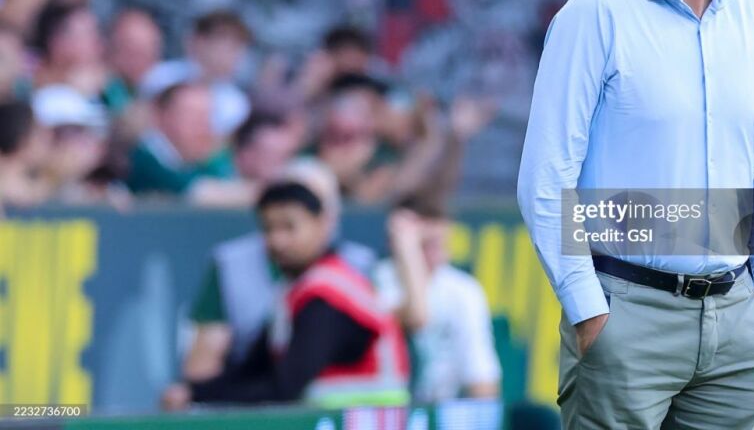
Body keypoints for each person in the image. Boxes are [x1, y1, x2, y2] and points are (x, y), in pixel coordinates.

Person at [517, 0, 754, 429]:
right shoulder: (594, 13)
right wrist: (589, 312)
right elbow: (545, 179)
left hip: (740, 324)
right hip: (626, 316)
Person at [162, 180, 409, 409]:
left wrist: (197, 396)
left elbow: (284, 387)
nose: (277, 241)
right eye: (268, 228)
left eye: (289, 227)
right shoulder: (294, 292)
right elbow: (255, 368)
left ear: (322, 224)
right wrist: (193, 392)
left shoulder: (327, 297)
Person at [375, 198, 502, 403]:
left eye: (440, 243)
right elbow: (416, 317)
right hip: (389, 409)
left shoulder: (463, 290)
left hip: (442, 409)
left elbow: (481, 375)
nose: (438, 252)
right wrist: (408, 250)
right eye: (426, 244)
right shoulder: (379, 279)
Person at [141, 9, 251, 136]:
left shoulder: (236, 105)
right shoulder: (160, 75)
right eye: (225, 44)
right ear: (198, 40)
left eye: (237, 48)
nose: (232, 56)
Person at [125, 81, 235, 195]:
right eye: (193, 117)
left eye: (207, 117)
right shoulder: (141, 157)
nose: (204, 127)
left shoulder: (193, 159)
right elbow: (195, 191)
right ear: (163, 117)